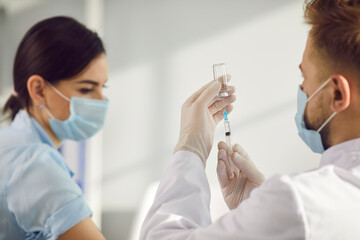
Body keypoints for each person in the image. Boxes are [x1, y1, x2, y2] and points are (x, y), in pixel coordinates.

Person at [140, 0, 360, 239]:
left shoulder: (298, 202)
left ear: (337, 93)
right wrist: (257, 209)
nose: (302, 88)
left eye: (304, 76)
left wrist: (189, 148)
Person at [0, 16, 108, 239]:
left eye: (102, 87)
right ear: (38, 90)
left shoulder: (10, 143)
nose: (102, 101)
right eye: (87, 90)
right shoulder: (33, 164)